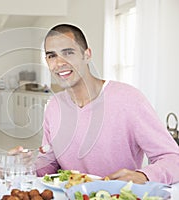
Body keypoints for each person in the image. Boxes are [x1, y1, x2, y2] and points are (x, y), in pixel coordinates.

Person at [11, 24, 179, 185]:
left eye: (68, 52)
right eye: (52, 55)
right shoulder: (54, 106)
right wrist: (24, 166)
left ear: (87, 55)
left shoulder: (129, 99)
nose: (59, 63)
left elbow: (173, 158)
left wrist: (143, 175)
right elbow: (50, 164)